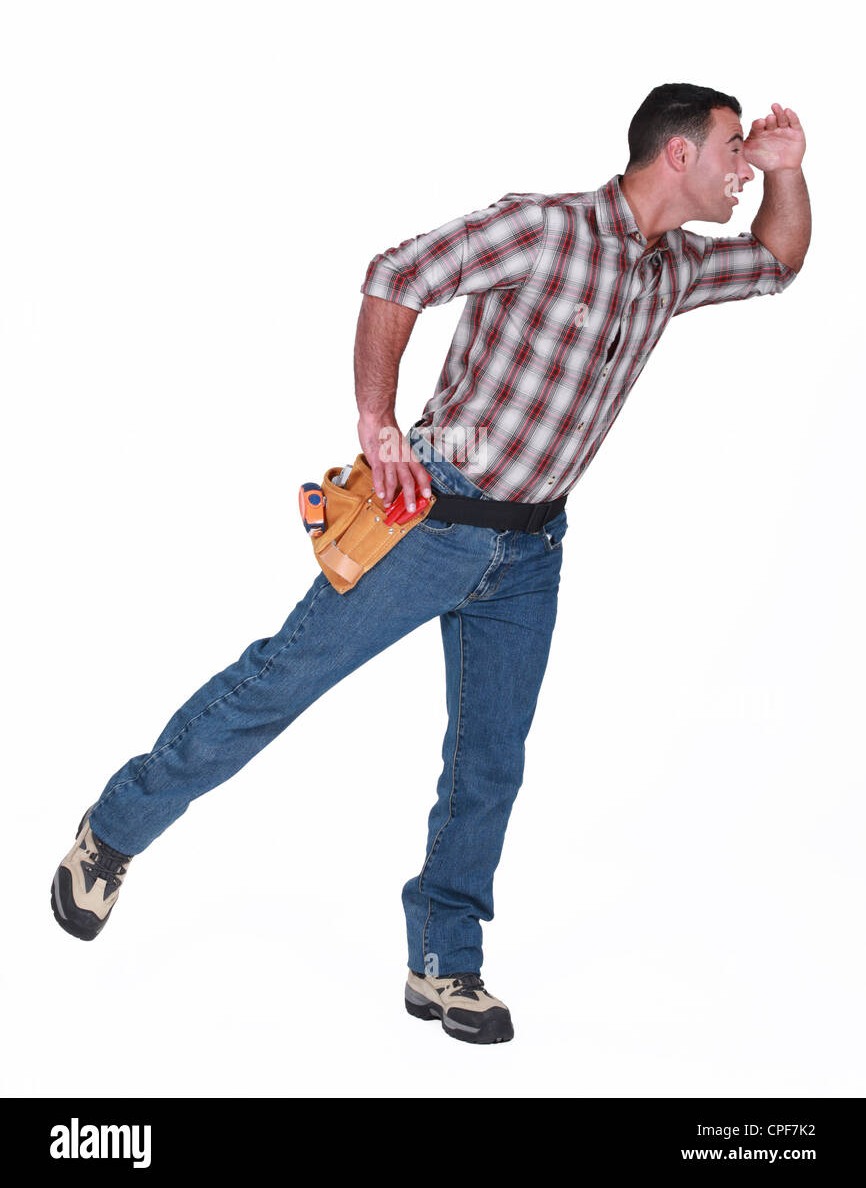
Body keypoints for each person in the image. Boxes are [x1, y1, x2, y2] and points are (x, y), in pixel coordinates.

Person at [51, 84, 811, 1046]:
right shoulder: (542, 228)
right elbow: (396, 273)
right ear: (676, 153)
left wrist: (789, 171)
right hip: (429, 519)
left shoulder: (673, 269)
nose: (743, 168)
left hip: (532, 548)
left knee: (488, 763)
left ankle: (444, 965)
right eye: (736, 149)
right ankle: (111, 833)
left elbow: (781, 261)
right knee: (273, 687)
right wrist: (376, 425)